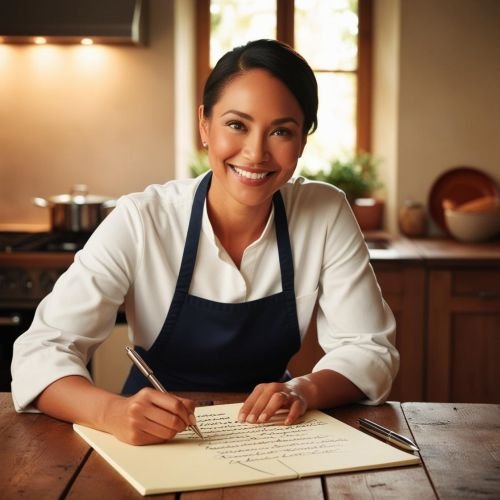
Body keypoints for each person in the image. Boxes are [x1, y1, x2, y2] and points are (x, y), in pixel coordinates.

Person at [11, 39, 398, 445]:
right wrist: (111, 412)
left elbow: (369, 350)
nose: (255, 152)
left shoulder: (325, 211)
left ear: (302, 141)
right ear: (205, 126)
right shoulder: (142, 218)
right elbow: (40, 352)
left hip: (271, 433)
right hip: (150, 437)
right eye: (237, 125)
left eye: (281, 130)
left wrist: (303, 390)